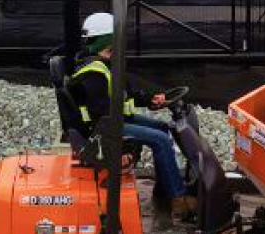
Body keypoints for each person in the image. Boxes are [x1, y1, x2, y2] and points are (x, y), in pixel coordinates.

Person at [70, 12, 195, 219]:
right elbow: (100, 111)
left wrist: (151, 100)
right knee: (162, 140)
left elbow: (125, 93)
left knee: (163, 128)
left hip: (112, 121)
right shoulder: (94, 72)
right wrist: (121, 145)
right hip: (103, 128)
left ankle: (165, 188)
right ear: (108, 39)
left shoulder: (105, 64)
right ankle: (178, 199)